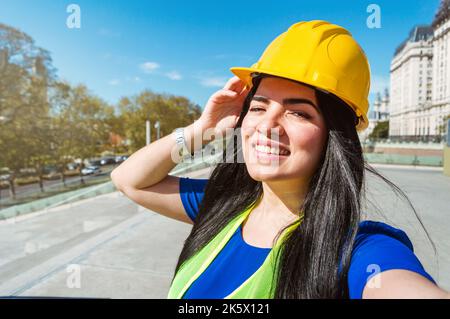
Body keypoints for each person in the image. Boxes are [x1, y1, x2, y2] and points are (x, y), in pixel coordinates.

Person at [110, 20, 449, 299]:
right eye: (258, 107)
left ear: (335, 136)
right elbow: (128, 179)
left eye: (298, 113)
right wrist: (203, 129)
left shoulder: (360, 252)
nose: (267, 126)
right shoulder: (220, 207)